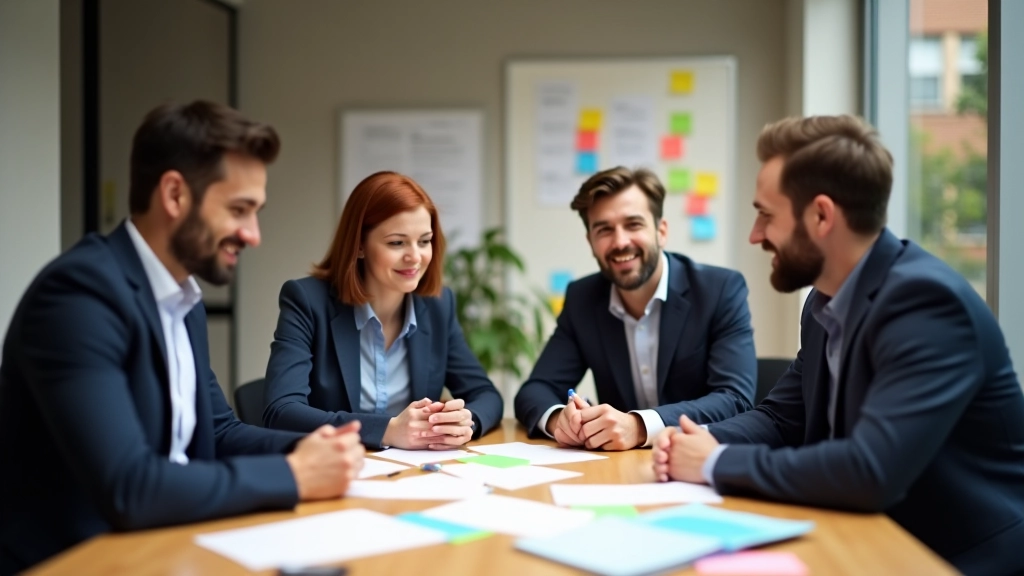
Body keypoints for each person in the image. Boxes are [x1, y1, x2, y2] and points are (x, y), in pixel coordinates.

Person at [0, 101, 365, 574]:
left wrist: (315, 449)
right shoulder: (78, 296)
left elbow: (218, 432)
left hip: (167, 547)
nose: (253, 235)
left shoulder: (181, 299)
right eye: (239, 209)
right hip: (80, 561)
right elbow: (129, 487)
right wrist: (294, 475)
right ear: (174, 195)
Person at [652, 115, 1024, 575]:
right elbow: (782, 418)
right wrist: (695, 442)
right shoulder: (825, 300)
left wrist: (716, 462)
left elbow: (870, 471)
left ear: (822, 216)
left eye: (766, 214)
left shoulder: (925, 303)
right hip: (861, 537)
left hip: (952, 558)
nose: (755, 235)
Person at [514, 167, 756, 451]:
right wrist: (560, 420)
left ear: (661, 231)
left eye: (633, 224)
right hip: (619, 470)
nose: (620, 242)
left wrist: (639, 426)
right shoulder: (583, 299)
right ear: (590, 242)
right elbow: (534, 391)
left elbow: (735, 398)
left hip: (699, 461)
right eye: (604, 229)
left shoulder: (719, 290)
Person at [262, 171, 503, 449]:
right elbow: (281, 410)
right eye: (397, 243)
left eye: (424, 241)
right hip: (333, 468)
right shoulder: (307, 300)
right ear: (360, 245)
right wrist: (387, 430)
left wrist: (465, 422)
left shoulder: (438, 305)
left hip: (411, 472)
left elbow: (486, 395)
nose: (415, 256)